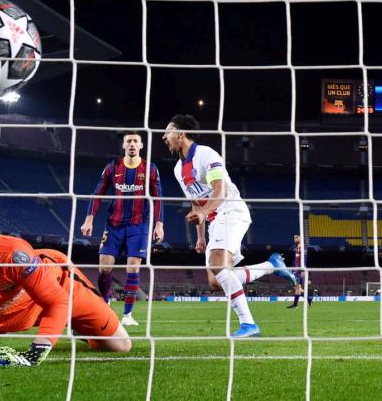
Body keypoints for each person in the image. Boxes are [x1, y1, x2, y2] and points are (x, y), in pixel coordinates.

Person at [0, 205, 131, 373]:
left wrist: (36, 352)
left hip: (59, 289)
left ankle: (75, 325)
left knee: (121, 345)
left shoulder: (12, 255)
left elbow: (56, 301)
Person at [162, 114, 292, 338]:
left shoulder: (206, 155)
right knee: (215, 280)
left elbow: (219, 190)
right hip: (214, 219)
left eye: (167, 132)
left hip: (230, 210)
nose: (164, 137)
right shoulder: (178, 169)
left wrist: (203, 213)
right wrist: (201, 236)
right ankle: (272, 265)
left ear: (180, 134)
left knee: (217, 265)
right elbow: (196, 201)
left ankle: (249, 325)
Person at [80, 131, 164, 327]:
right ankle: (106, 304)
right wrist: (89, 219)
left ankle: (127, 315)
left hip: (139, 224)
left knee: (133, 266)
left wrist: (159, 224)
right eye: (129, 141)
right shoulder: (112, 167)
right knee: (104, 267)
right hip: (114, 223)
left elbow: (158, 197)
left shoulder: (150, 169)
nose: (132, 144)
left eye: (136, 141)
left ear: (141, 145)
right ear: (124, 145)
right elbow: (98, 192)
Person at [287, 235, 313, 308]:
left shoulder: (303, 247)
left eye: (296, 237)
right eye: (294, 237)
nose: (294, 239)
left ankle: (305, 300)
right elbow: (296, 260)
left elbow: (303, 259)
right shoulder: (297, 248)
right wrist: (292, 268)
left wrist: (302, 270)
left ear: (300, 238)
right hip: (296, 270)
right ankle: (302, 302)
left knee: (296, 287)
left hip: (300, 270)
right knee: (297, 288)